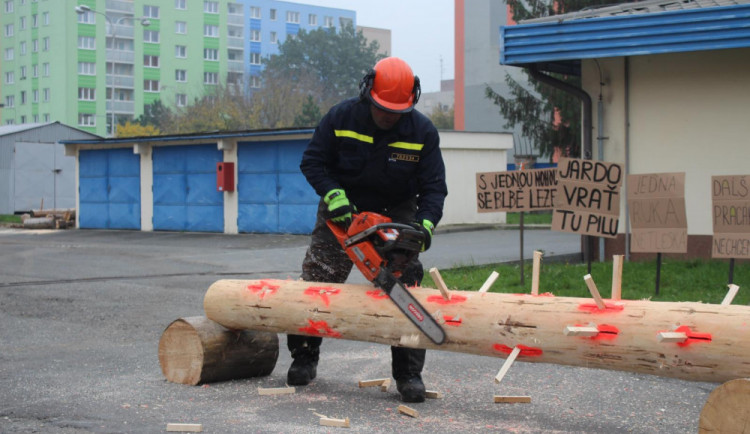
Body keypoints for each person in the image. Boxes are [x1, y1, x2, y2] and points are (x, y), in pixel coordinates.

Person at [289, 56, 448, 403]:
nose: (388, 115)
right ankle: (304, 357)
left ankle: (408, 374)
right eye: (382, 108)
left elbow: (434, 187)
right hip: (344, 209)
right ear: (368, 94)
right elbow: (312, 161)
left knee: (405, 286)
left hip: (396, 213)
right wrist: (334, 196)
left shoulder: (422, 132)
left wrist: (424, 225)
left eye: (396, 111)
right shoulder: (340, 117)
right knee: (319, 277)